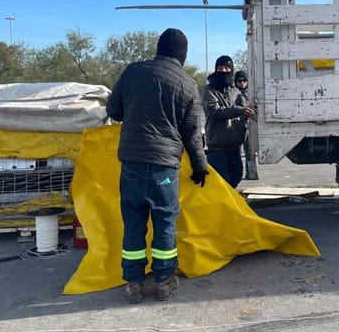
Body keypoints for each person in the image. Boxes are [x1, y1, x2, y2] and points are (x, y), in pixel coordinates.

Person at [106, 28, 208, 304]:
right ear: (183, 56)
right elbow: (192, 135)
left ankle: (134, 284)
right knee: (164, 221)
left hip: (132, 162)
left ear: (159, 48)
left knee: (133, 221)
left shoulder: (133, 72)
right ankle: (164, 281)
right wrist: (200, 167)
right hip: (164, 167)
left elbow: (113, 111)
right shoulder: (187, 85)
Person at [203, 56, 254, 188]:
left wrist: (247, 114)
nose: (224, 71)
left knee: (235, 178)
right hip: (217, 148)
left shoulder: (236, 92)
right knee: (221, 185)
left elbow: (245, 111)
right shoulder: (209, 90)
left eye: (227, 68)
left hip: (235, 148)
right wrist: (239, 110)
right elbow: (215, 111)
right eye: (220, 68)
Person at [234, 70, 258, 180]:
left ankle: (252, 173)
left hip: (249, 125)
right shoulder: (234, 94)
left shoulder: (251, 93)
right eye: (240, 81)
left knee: (250, 150)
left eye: (244, 80)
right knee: (237, 151)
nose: (242, 83)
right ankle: (237, 173)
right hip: (237, 125)